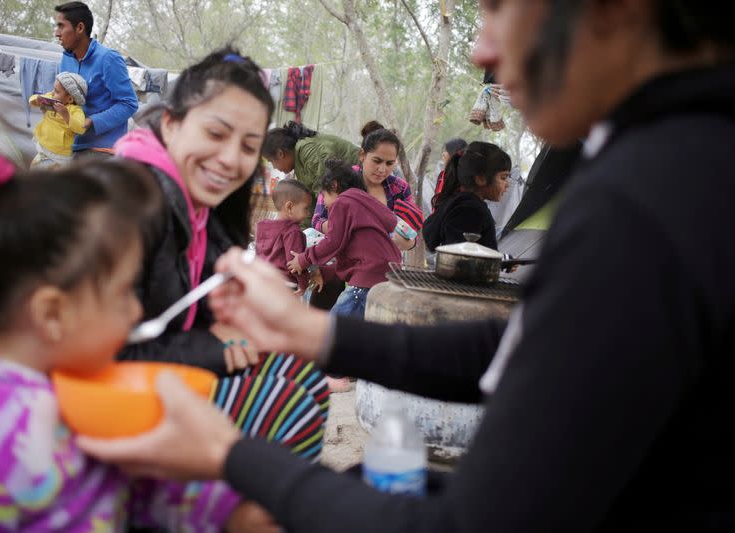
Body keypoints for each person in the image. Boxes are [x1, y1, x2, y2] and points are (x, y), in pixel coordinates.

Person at [77, 0, 735, 531]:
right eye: (217, 135)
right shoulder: (685, 162)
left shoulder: (646, 202)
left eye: (499, 6)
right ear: (171, 122)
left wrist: (230, 453)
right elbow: (533, 344)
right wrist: (315, 335)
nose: (482, 50)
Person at [0, 128, 278, 532]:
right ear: (52, 314)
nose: (136, 309)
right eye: (124, 292)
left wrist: (232, 511)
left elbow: (136, 485)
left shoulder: (75, 387)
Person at [111, 47, 275, 376]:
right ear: (171, 124)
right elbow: (101, 350)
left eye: (248, 146)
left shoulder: (205, 208)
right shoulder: (126, 206)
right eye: (216, 133)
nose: (230, 158)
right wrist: (213, 346)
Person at [287, 160, 401, 319]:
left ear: (333, 185)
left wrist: (303, 259)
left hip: (366, 280)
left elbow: (332, 243)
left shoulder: (342, 202)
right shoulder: (366, 206)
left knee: (333, 328)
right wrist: (325, 272)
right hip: (389, 273)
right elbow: (358, 258)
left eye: (323, 195)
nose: (325, 205)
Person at [311, 124, 418, 253]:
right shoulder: (340, 177)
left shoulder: (399, 188)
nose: (382, 169)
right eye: (377, 161)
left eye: (390, 163)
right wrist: (343, 226)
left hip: (384, 262)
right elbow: (317, 220)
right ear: (362, 155)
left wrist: (408, 242)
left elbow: (411, 230)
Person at [55, 1, 138, 158]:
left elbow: (129, 103)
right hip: (71, 145)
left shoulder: (109, 59)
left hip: (103, 150)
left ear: (80, 28)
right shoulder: (66, 59)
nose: (57, 33)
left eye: (61, 26)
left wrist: (91, 121)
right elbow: (67, 99)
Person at [422, 141, 511, 250]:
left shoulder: (463, 204)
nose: (507, 184)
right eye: (503, 177)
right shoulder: (469, 211)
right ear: (481, 179)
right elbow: (459, 259)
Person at [255, 178, 314, 293]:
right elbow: (295, 263)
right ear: (289, 207)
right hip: (285, 285)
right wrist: (303, 284)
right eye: (306, 208)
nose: (308, 214)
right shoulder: (293, 232)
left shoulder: (263, 227)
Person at [262, 121, 359, 191]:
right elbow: (311, 204)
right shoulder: (299, 167)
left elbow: (328, 192)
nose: (274, 167)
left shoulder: (307, 150)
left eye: (271, 161)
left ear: (280, 154)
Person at [29, 71, 88, 168]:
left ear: (69, 99)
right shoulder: (51, 99)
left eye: (56, 91)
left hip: (59, 155)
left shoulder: (75, 110)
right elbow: (32, 100)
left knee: (51, 178)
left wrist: (66, 115)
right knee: (35, 171)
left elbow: (81, 128)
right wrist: (37, 99)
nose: (52, 93)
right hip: (43, 147)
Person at [432, 137, 468, 208]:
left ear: (454, 154)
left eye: (446, 151)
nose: (443, 154)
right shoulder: (442, 176)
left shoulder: (464, 181)